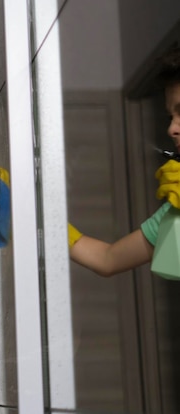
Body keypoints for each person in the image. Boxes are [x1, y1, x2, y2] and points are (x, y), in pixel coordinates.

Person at [69, 45, 180, 276]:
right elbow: (107, 259)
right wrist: (31, 217)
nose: (171, 129)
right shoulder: (176, 207)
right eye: (171, 116)